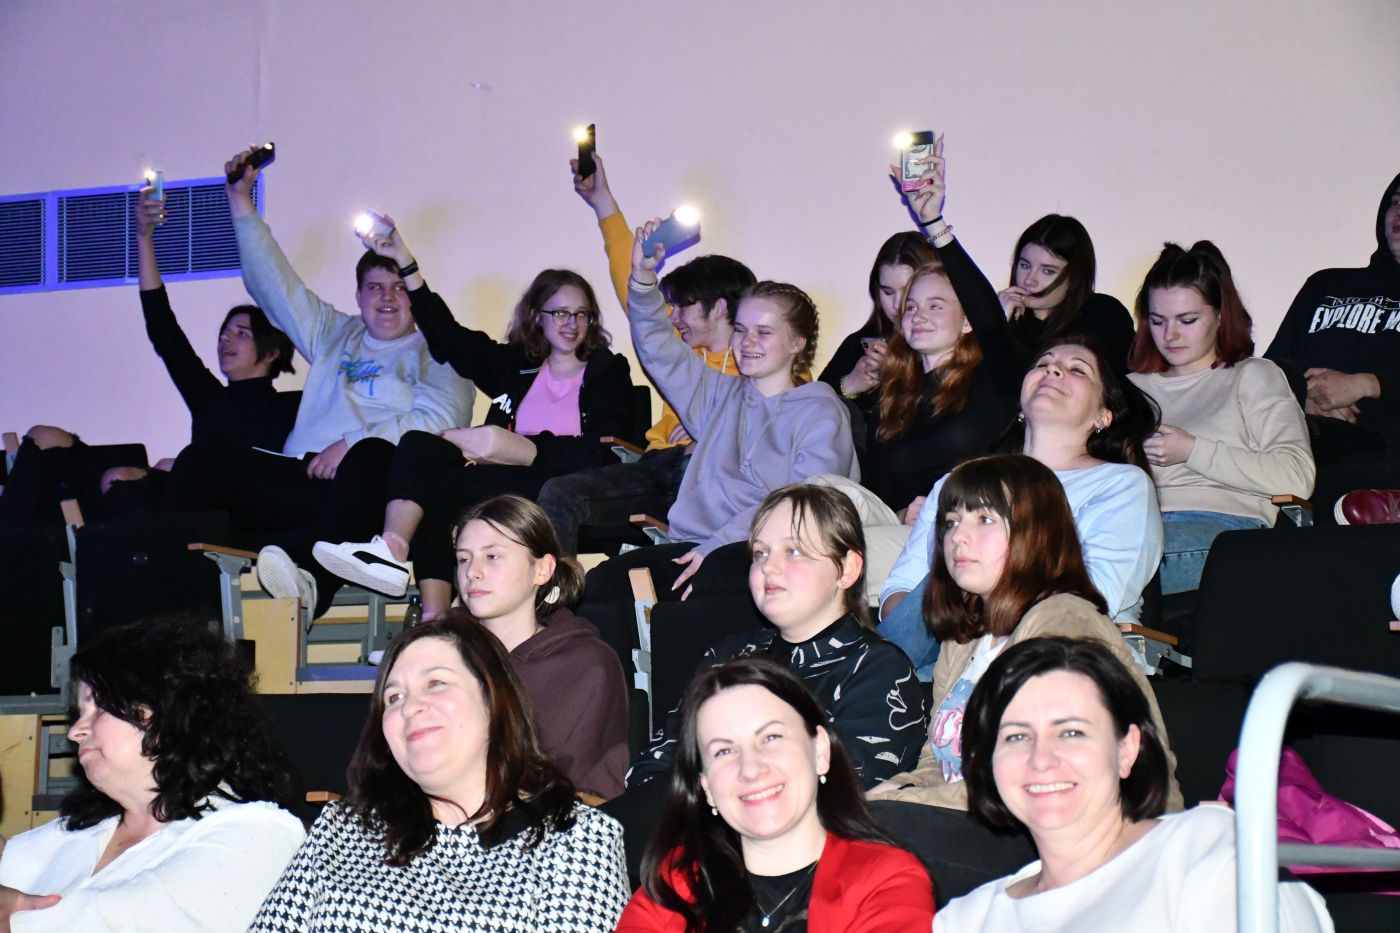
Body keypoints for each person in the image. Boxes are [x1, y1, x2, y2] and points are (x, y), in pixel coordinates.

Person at [163, 149, 473, 620]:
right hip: (298, 478)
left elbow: (441, 422)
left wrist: (351, 443)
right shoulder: (336, 334)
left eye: (398, 288)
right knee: (200, 460)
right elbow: (276, 287)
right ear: (358, 296)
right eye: (375, 287)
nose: (387, 299)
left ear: (415, 295)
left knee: (373, 454)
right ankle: (175, 602)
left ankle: (311, 585)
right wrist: (241, 202)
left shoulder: (441, 351)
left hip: (368, 490)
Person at [310, 219, 635, 616]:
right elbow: (448, 338)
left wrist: (520, 448)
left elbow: (603, 454)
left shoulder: (607, 372)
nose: (572, 324)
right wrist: (406, 263)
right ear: (538, 317)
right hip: (497, 477)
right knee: (420, 446)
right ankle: (394, 551)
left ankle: (433, 614)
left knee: (448, 487)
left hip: (559, 484)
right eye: (560, 313)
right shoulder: (516, 366)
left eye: (582, 314)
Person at [248, 616, 629, 932]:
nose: (410, 707)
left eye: (436, 683)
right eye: (394, 697)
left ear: (494, 700)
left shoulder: (575, 842)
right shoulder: (342, 829)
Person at [936, 636, 1334, 931]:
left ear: (1126, 750)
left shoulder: (1204, 851)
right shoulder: (967, 920)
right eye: (1016, 737)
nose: (1041, 759)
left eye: (1072, 733)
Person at [581, 218, 856, 637]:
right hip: (691, 546)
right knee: (598, 589)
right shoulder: (718, 395)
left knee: (679, 614)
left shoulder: (820, 411)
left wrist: (718, 545)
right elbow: (659, 348)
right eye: (741, 330)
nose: (747, 342)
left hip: (762, 553)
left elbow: (802, 505)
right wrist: (642, 277)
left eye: (764, 332)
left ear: (797, 343)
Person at [869, 453, 1181, 812]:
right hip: (983, 821)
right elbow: (938, 762)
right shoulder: (964, 638)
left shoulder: (1063, 624)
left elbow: (1036, 781)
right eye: (952, 522)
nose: (958, 538)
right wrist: (903, 787)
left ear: (1036, 533)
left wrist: (898, 802)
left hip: (1089, 830)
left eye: (984, 519)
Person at [0, 190, 298, 526]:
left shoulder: (290, 409)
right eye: (224, 333)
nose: (225, 339)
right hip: (155, 492)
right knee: (46, 436)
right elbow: (163, 328)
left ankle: (97, 549)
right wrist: (144, 237)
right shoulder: (210, 398)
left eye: (241, 333)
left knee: (124, 477)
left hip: (194, 512)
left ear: (271, 351)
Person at [876, 336, 1164, 678]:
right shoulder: (961, 481)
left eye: (1077, 370)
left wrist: (977, 585)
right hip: (946, 645)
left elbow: (1095, 596)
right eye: (1043, 364)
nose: (1053, 370)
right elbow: (900, 593)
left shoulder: (1121, 484)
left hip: (1061, 652)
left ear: (1103, 415)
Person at [0, 618, 304, 932]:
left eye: (98, 709)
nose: (75, 731)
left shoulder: (259, 832)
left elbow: (126, 922)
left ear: (167, 710)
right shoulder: (75, 833)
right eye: (79, 714)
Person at [628, 483, 928, 789]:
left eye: (793, 551)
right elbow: (658, 761)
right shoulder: (731, 653)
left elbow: (834, 790)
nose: (769, 567)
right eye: (760, 553)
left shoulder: (878, 669)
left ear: (847, 569)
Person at [616, 657, 935, 932]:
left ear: (820, 751)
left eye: (771, 738)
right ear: (706, 787)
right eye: (724, 751)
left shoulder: (887, 881)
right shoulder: (674, 884)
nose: (750, 768)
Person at [536, 152, 752, 556]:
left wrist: (711, 434)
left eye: (684, 306)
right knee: (558, 493)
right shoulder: (680, 353)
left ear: (719, 308)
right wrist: (603, 201)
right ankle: (558, 594)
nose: (675, 317)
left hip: (709, 478)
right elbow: (635, 296)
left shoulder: (763, 365)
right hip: (657, 466)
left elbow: (777, 435)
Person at [1128, 241, 1315, 594]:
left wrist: (1193, 451)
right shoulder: (1130, 388)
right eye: (1157, 321)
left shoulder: (1253, 376)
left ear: (1220, 316)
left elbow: (1297, 477)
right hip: (1134, 525)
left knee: (1103, 563)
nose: (1170, 335)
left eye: (1187, 320)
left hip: (1221, 529)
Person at [865, 139, 1022, 514]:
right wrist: (901, 516)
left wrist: (933, 223)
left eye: (936, 306)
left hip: (976, 527)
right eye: (911, 307)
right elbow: (876, 495)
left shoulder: (994, 377)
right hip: (899, 536)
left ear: (967, 321)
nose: (918, 316)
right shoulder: (893, 395)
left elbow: (991, 322)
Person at [448, 494, 628, 798]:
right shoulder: (439, 655)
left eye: (492, 556)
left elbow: (584, 788)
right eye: (464, 559)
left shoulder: (587, 664)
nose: (472, 572)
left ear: (542, 569)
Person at [1265, 172, 1400, 463]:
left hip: (1382, 453)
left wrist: (1367, 384)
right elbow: (1271, 368)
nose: (1399, 212)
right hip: (1300, 438)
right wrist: (1302, 399)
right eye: (1396, 201)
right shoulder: (1326, 285)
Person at [817, 232, 937, 467]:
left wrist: (899, 373)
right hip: (862, 475)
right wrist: (849, 385)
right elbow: (811, 411)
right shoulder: (860, 343)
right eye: (887, 291)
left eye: (907, 290)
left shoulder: (947, 344)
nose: (897, 304)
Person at [999, 214, 1136, 372]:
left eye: (1047, 271)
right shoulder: (1004, 317)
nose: (1029, 280)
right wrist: (996, 322)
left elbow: (1130, 380)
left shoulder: (1103, 315)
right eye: (1025, 265)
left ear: (1075, 276)